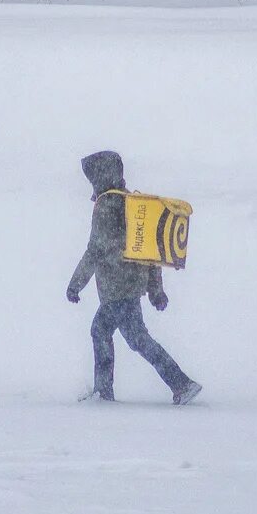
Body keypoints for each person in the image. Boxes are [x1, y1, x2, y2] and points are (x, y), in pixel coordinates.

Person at [65, 150, 201, 404]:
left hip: (116, 289)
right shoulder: (133, 204)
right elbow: (151, 251)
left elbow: (95, 250)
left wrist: (75, 285)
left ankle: (105, 394)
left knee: (105, 332)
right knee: (133, 339)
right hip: (130, 287)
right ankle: (180, 384)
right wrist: (155, 290)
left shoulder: (106, 206)